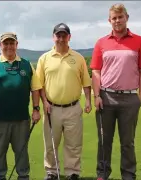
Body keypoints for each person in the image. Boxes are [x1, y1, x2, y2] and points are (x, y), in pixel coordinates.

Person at [90, 3, 141, 180]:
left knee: (127, 143)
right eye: (114, 18)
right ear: (110, 20)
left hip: (130, 98)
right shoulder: (101, 42)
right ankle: (102, 174)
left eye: (120, 17)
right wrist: (96, 96)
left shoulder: (140, 41)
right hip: (105, 97)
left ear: (126, 18)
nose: (117, 21)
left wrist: (139, 98)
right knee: (104, 141)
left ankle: (128, 175)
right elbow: (96, 71)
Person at [0, 32, 42, 180]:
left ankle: (23, 176)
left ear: (16, 45)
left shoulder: (26, 64)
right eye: (5, 43)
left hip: (21, 119)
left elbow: (35, 88)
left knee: (22, 151)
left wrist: (36, 109)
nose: (9, 46)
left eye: (11, 43)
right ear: (0, 46)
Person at [36, 23, 92, 180]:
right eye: (58, 35)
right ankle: (51, 172)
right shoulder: (44, 58)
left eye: (64, 35)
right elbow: (39, 84)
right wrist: (44, 102)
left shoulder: (78, 58)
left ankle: (72, 172)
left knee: (73, 144)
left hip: (73, 107)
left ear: (69, 37)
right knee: (50, 144)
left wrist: (88, 100)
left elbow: (86, 82)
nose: (61, 38)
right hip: (51, 108)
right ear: (53, 37)